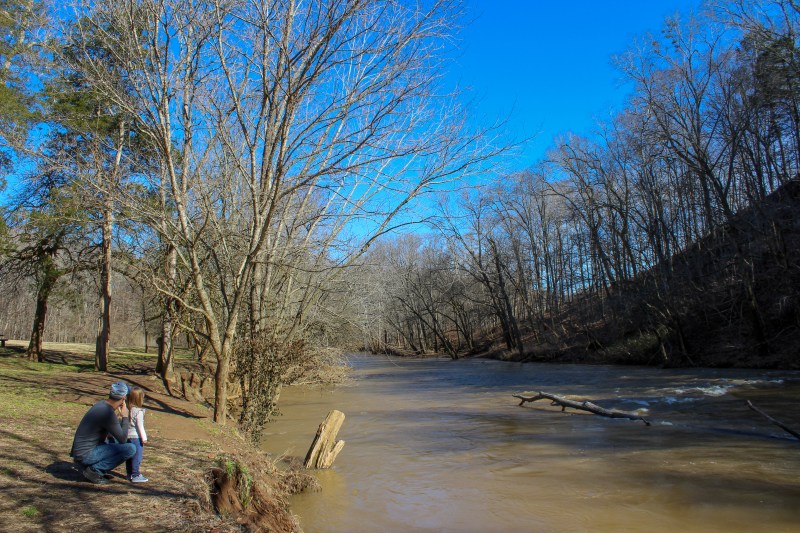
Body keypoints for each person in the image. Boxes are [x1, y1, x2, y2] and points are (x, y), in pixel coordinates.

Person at [70, 381, 136, 484]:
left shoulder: (101, 405)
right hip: (85, 455)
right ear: (123, 399)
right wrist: (125, 416)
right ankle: (95, 471)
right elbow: (123, 439)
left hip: (80, 452)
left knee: (114, 440)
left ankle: (92, 467)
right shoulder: (108, 413)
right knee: (130, 448)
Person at [125, 387, 149, 483]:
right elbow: (140, 426)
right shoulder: (138, 412)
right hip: (136, 438)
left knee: (129, 456)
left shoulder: (127, 410)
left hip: (127, 436)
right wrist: (144, 438)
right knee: (137, 457)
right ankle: (135, 475)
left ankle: (129, 474)